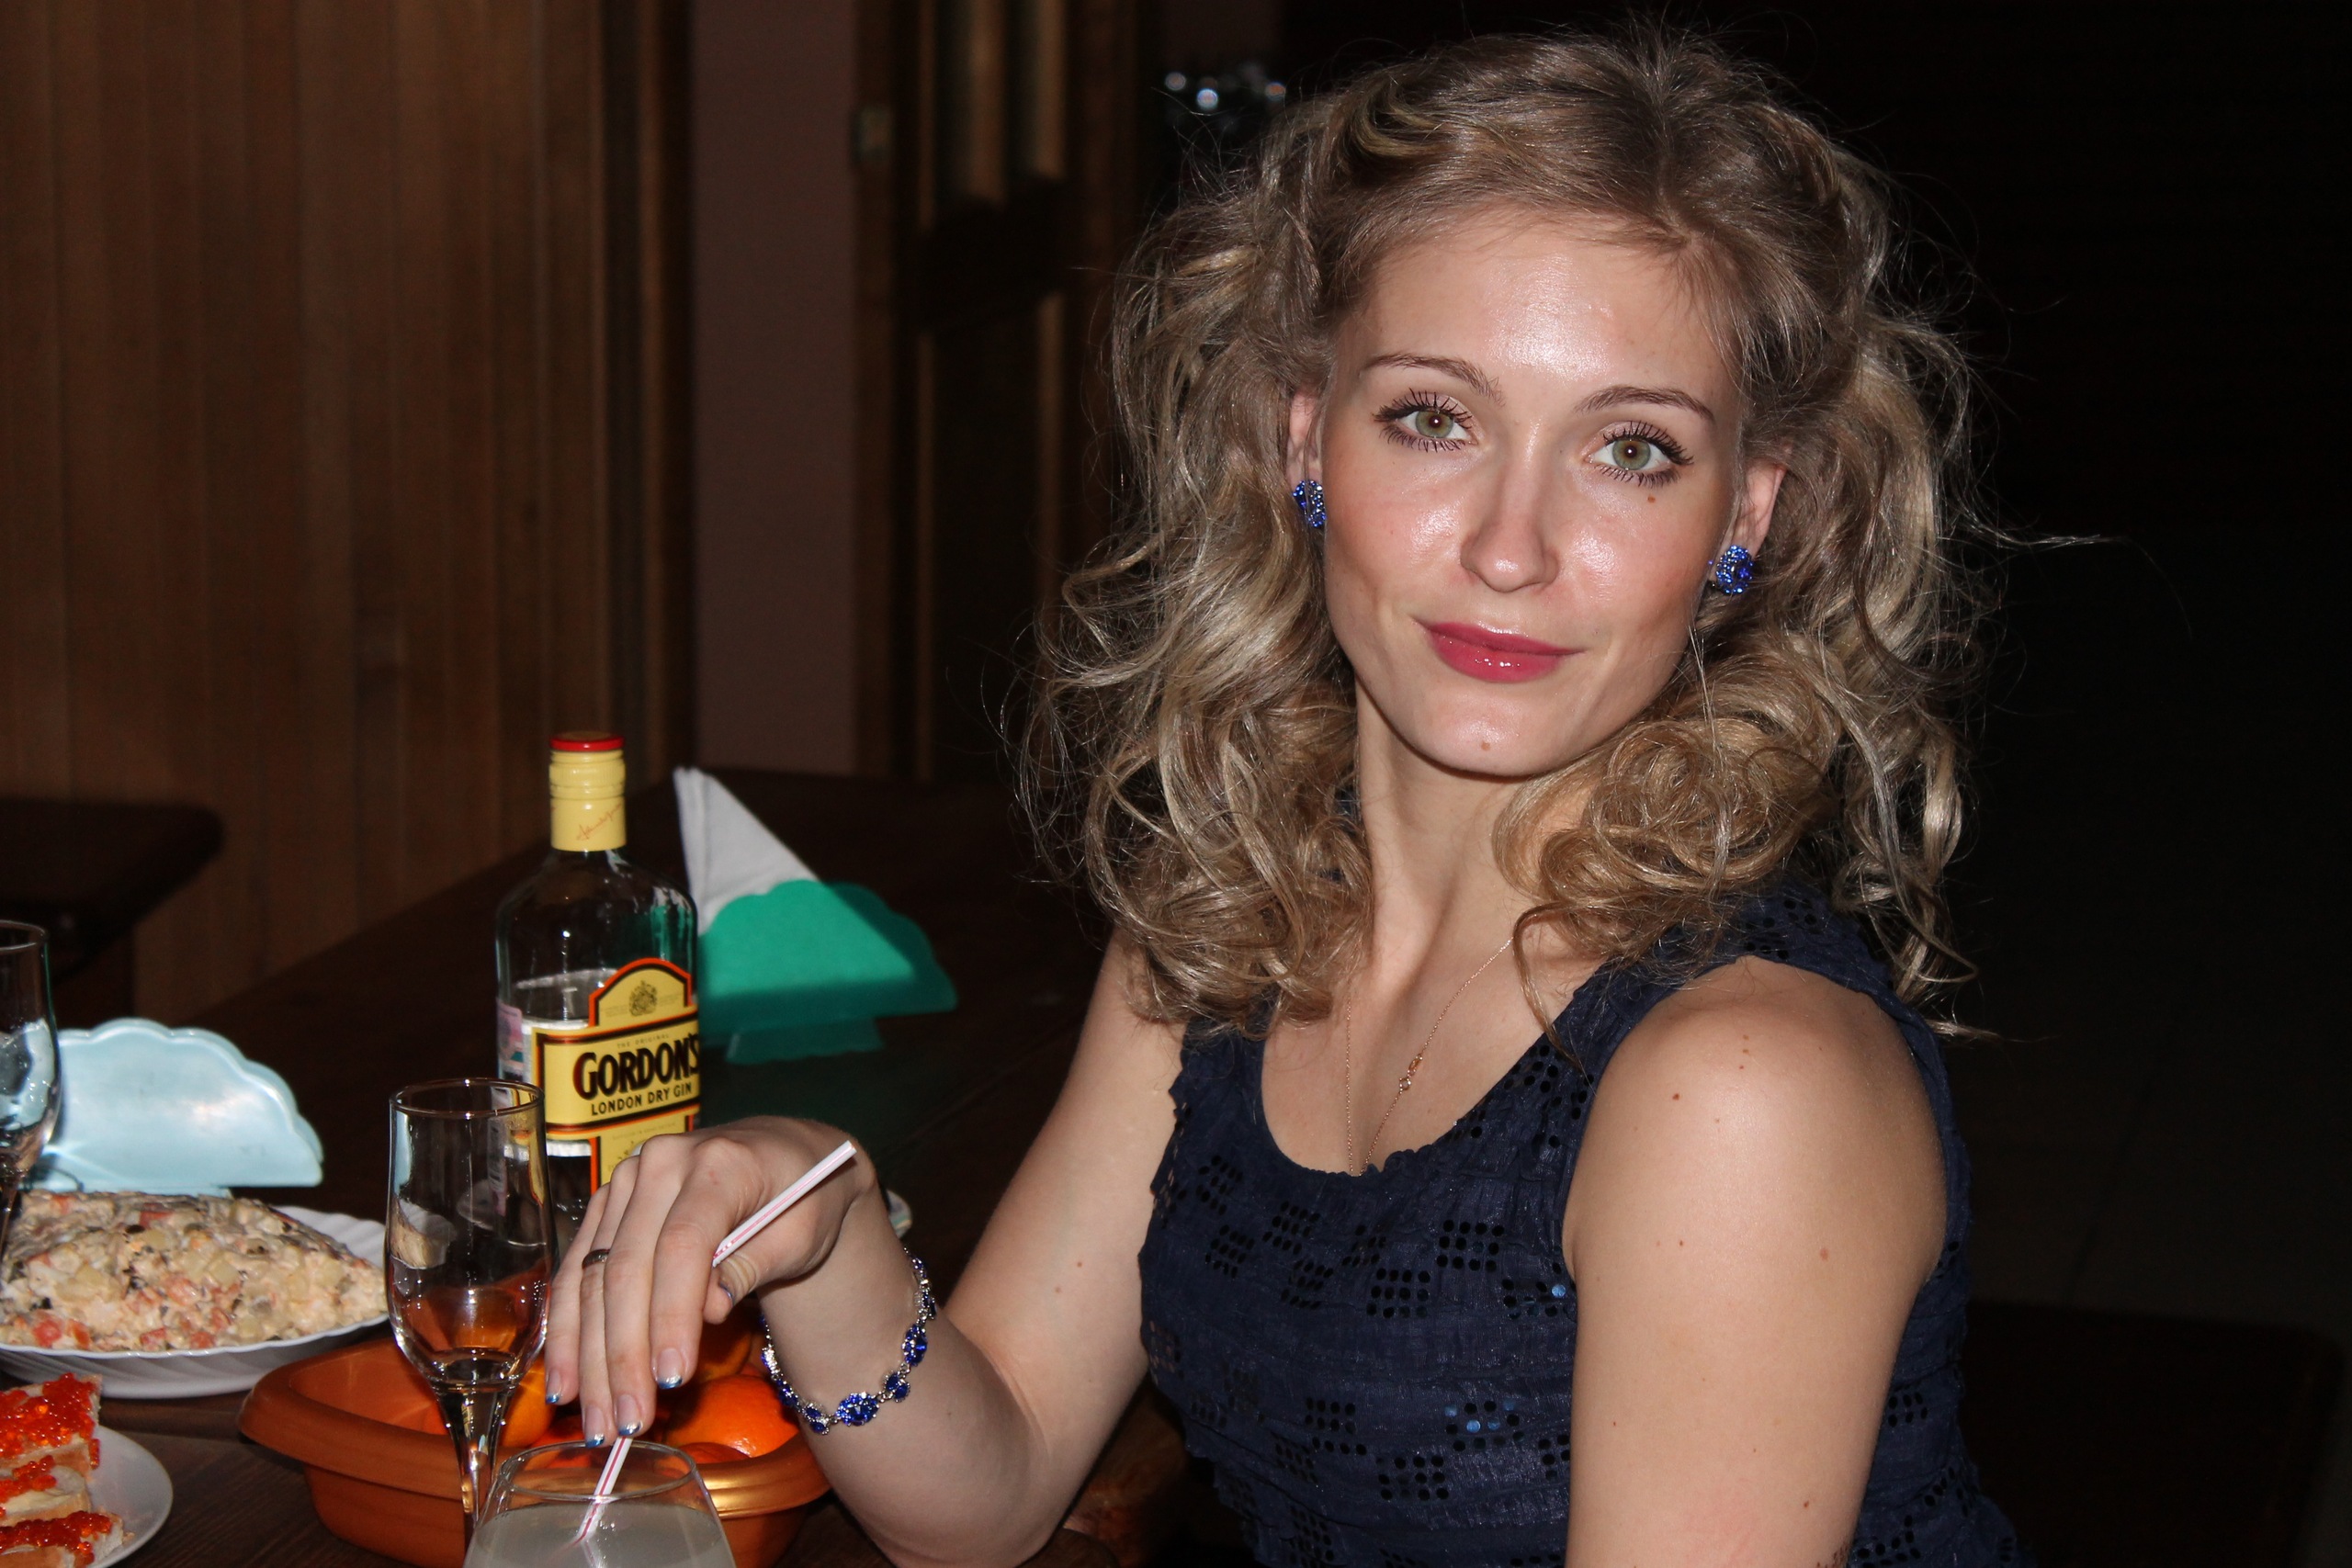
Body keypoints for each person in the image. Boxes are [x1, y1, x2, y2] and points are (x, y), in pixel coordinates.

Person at [545, 28, 2028, 1568]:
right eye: (1435, 418)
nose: (1510, 547)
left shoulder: (1737, 1084)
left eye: (1632, 450)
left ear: (1748, 515)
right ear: (1304, 435)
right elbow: (982, 1499)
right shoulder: (1241, 917)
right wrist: (822, 1222)